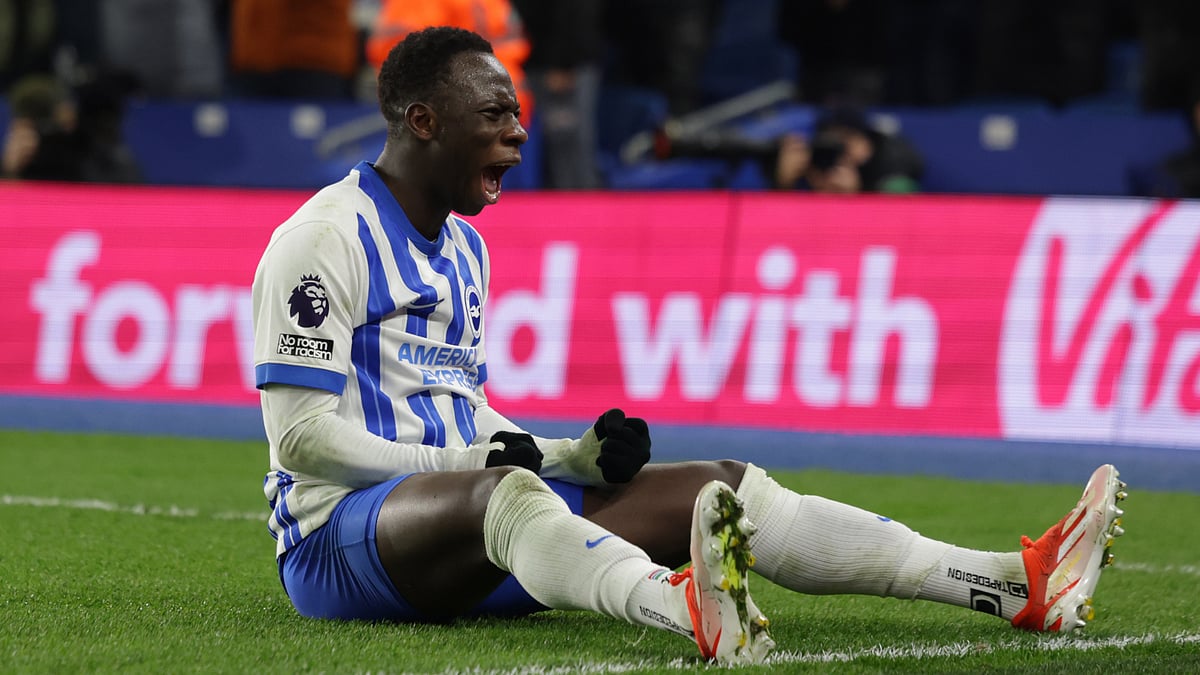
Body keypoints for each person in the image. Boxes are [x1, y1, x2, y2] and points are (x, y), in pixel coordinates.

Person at [250, 26, 1128, 665]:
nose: (521, 132)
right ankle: (686, 611)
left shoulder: (468, 246)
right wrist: (480, 458)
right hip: (338, 540)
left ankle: (1014, 582)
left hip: (465, 517)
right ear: (423, 121)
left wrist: (573, 452)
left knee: (724, 487)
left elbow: (458, 401)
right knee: (509, 493)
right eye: (496, 112)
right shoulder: (322, 238)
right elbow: (301, 439)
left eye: (518, 112)